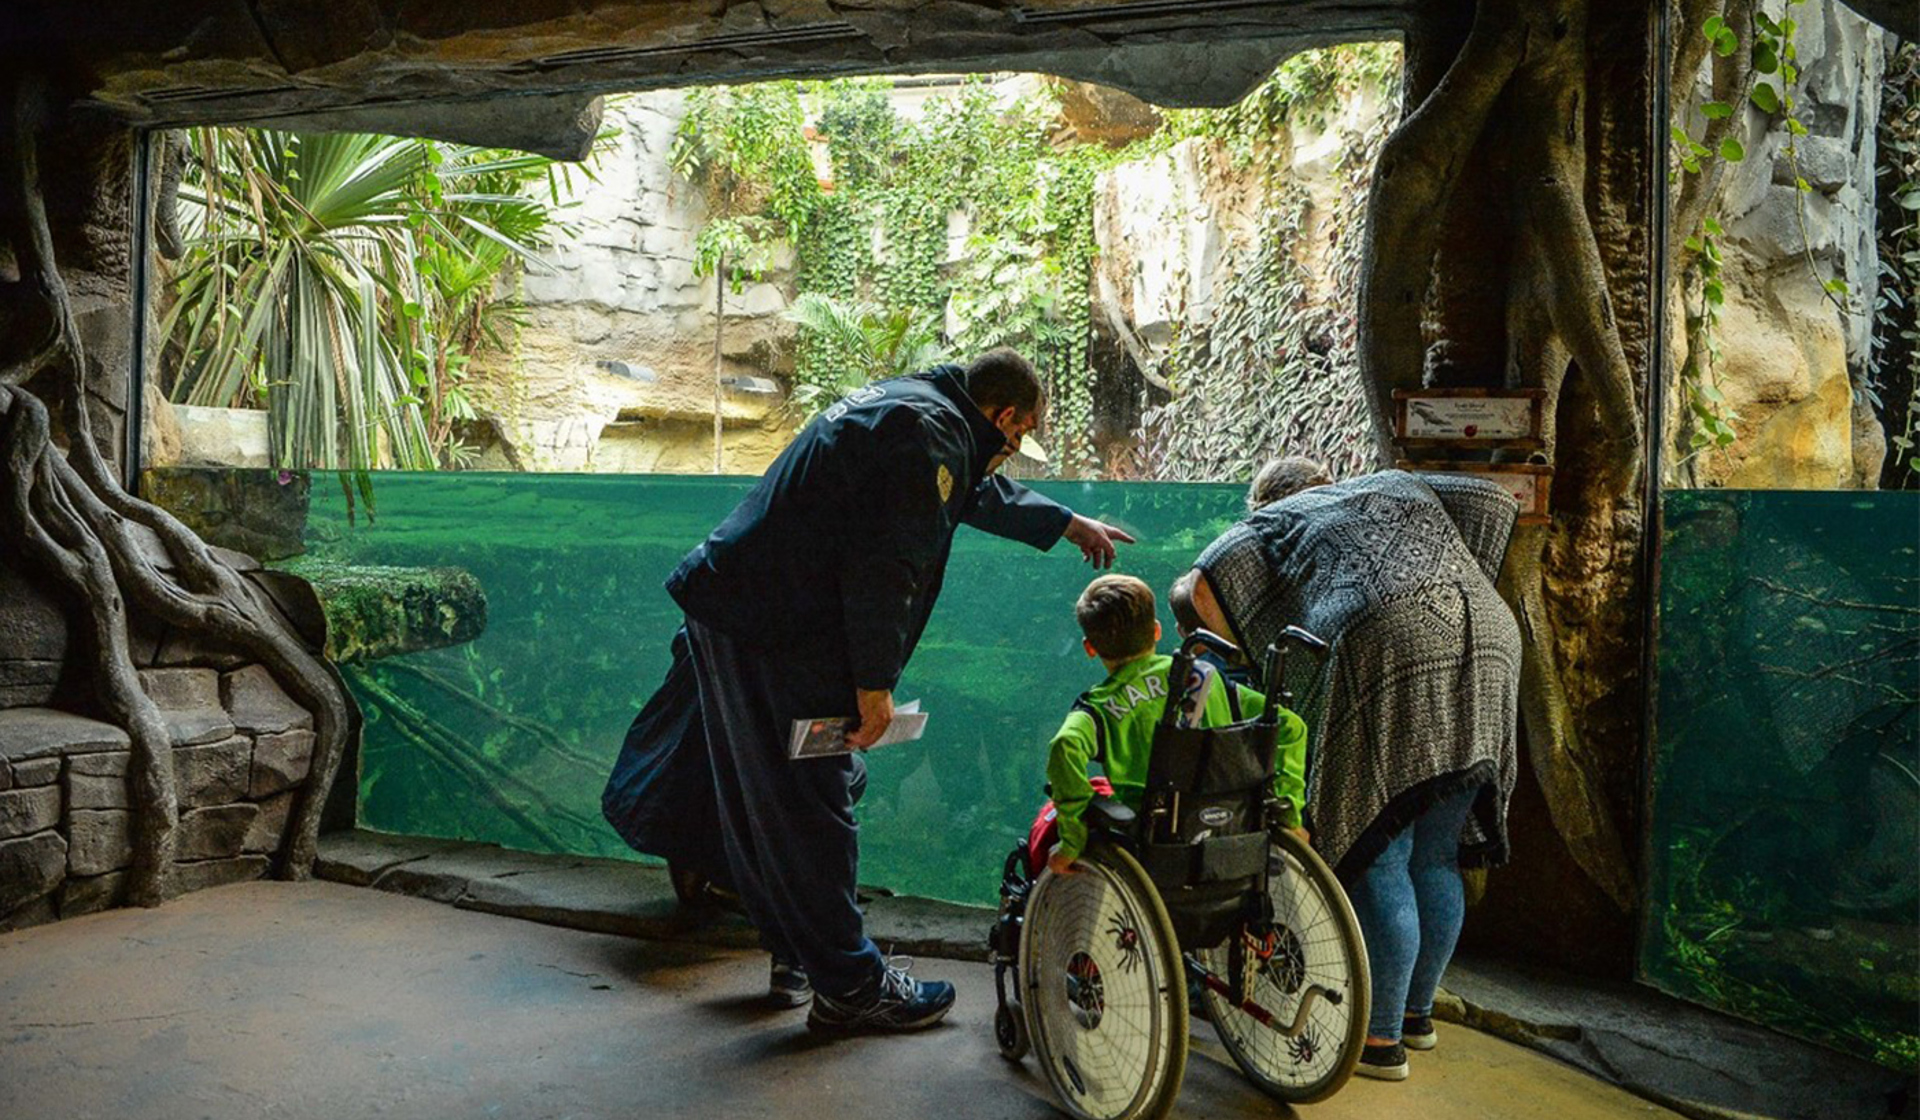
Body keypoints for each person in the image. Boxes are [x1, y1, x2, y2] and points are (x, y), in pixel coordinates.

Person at [664, 348, 1135, 1034]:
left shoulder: (918, 406)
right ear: (1002, 415)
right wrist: (873, 689)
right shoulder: (930, 434)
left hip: (736, 607)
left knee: (773, 792)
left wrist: (1064, 522)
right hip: (778, 629)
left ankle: (801, 951)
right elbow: (885, 569)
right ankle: (852, 987)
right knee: (816, 795)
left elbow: (966, 485)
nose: (1011, 452)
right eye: (1017, 437)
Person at [1184, 459, 1521, 1082]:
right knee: (1436, 855)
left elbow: (1196, 592)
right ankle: (1417, 1017)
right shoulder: (1386, 485)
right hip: (1491, 636)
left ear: (1266, 504)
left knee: (1381, 853)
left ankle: (1379, 1040)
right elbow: (1491, 502)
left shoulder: (1277, 521)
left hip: (1392, 650)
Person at [1031, 574, 1307, 880]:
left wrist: (1072, 840)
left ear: (1090, 648)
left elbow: (1064, 746)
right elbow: (1290, 725)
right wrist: (1288, 813)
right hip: (1233, 830)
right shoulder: (1207, 678)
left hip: (1152, 845)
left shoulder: (1096, 709)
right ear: (1157, 631)